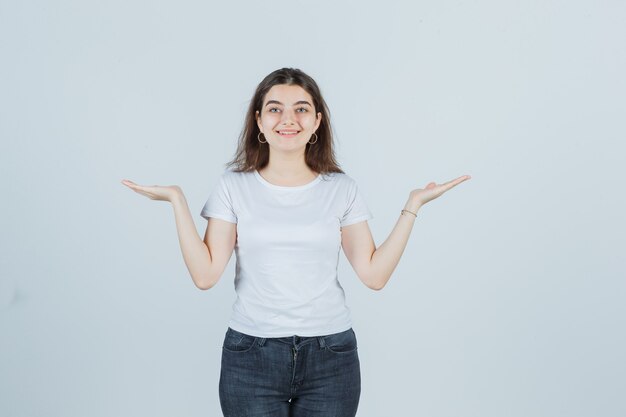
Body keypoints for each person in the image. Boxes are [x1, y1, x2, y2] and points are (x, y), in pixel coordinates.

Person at [121, 67, 471, 417]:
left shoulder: (341, 188)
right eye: (275, 109)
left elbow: (373, 275)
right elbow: (205, 275)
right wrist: (177, 201)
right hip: (251, 356)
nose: (288, 119)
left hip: (331, 357)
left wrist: (413, 206)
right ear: (258, 120)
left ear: (317, 121)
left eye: (301, 109)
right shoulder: (233, 186)